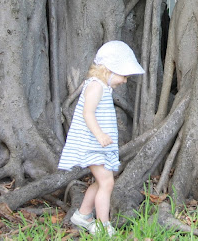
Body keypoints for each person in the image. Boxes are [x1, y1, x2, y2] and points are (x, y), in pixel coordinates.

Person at [58, 40, 145, 235]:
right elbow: (87, 113)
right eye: (123, 75)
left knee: (101, 182)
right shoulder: (95, 87)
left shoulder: (103, 87)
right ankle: (102, 225)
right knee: (107, 183)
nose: (124, 80)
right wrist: (99, 135)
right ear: (109, 69)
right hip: (92, 145)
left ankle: (83, 215)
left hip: (99, 146)